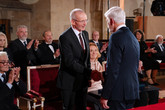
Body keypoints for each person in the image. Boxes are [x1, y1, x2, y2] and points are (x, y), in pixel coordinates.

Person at [100, 6, 140, 110]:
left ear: (112, 21)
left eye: (107, 21)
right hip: (132, 90)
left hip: (118, 92)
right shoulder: (133, 37)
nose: (107, 25)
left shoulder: (116, 36)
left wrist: (105, 95)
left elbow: (113, 69)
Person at [56, 8, 93, 110]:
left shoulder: (85, 34)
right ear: (73, 21)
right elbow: (69, 62)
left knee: (82, 107)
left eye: (86, 20)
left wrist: (87, 77)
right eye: (82, 21)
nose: (85, 23)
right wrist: (89, 72)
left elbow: (87, 58)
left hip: (82, 81)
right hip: (69, 82)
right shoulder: (65, 37)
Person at [87, 42, 104, 110]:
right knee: (97, 103)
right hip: (89, 91)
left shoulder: (98, 63)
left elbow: (102, 79)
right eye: (91, 51)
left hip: (99, 89)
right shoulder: (85, 65)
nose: (94, 52)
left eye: (95, 50)